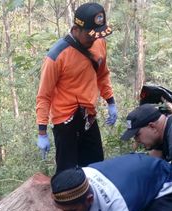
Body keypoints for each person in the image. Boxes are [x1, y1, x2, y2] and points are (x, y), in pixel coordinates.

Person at [36, 2, 117, 173]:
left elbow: (102, 74)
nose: (93, 39)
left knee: (96, 168)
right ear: (76, 29)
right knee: (68, 174)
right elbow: (44, 95)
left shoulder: (99, 43)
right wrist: (42, 132)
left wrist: (110, 101)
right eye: (90, 35)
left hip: (88, 116)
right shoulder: (56, 56)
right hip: (65, 121)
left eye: (96, 35)